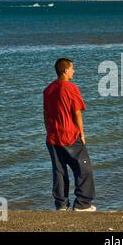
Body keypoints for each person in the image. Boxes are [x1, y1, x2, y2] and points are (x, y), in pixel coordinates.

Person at [43, 58, 96, 211]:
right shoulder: (71, 88)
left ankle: (61, 205)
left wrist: (49, 131)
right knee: (83, 169)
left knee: (59, 171)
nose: (74, 71)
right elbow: (77, 112)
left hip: (53, 136)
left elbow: (46, 114)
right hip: (70, 135)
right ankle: (82, 204)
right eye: (72, 68)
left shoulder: (48, 90)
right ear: (65, 70)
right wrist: (82, 133)